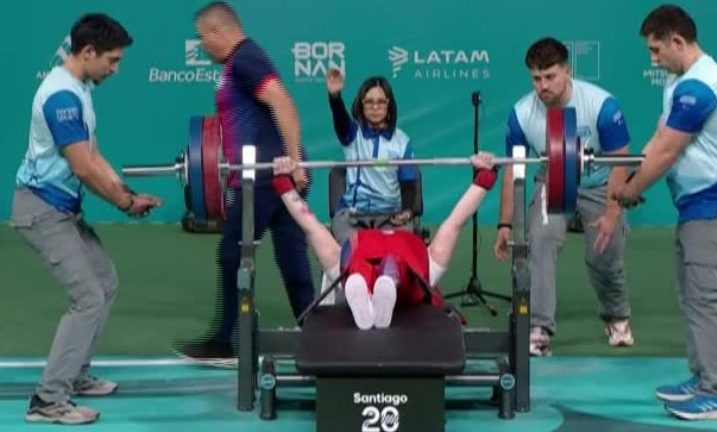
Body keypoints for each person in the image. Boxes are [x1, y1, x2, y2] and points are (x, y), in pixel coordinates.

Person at [11, 13, 161, 424]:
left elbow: (94, 157)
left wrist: (128, 194)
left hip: (62, 210)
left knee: (105, 282)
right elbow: (83, 169)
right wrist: (123, 204)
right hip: (41, 211)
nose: (115, 69)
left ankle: (74, 375)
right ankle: (47, 399)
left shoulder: (79, 88)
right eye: (112, 60)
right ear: (88, 52)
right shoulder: (61, 96)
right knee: (88, 298)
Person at [614, 5, 717, 421]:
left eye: (657, 50)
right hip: (698, 205)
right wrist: (632, 179)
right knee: (691, 295)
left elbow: (670, 151)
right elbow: (659, 140)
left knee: (704, 298)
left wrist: (630, 190)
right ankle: (701, 378)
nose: (653, 59)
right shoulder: (680, 82)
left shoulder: (701, 86)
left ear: (677, 41)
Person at [175, 1, 315, 364]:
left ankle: (230, 343)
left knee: (232, 253)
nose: (201, 46)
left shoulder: (245, 59)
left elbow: (283, 103)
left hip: (266, 175)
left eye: (202, 38)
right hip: (270, 173)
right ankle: (315, 332)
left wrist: (294, 161)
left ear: (219, 32)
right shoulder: (240, 61)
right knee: (291, 253)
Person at [493, 37, 634, 356]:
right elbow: (513, 170)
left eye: (550, 76)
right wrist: (505, 222)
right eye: (536, 78)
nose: (543, 85)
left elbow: (621, 161)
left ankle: (616, 315)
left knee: (605, 253)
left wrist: (612, 215)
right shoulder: (522, 114)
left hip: (601, 184)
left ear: (567, 71)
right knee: (540, 239)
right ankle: (539, 327)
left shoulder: (600, 104)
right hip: (552, 181)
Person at [271, 153, 498, 329]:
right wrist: (484, 178)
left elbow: (310, 225)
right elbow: (455, 222)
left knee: (360, 268)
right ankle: (381, 284)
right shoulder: (428, 267)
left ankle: (366, 285)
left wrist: (284, 183)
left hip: (360, 263)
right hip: (407, 273)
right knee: (392, 266)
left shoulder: (343, 259)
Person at [325, 68, 417, 244]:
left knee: (393, 255)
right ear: (361, 105)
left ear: (389, 105)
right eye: (369, 102)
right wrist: (335, 97)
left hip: (390, 216)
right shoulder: (353, 134)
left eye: (381, 102)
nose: (375, 107)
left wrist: (407, 211)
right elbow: (341, 120)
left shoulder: (402, 141)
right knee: (355, 254)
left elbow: (408, 184)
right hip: (353, 216)